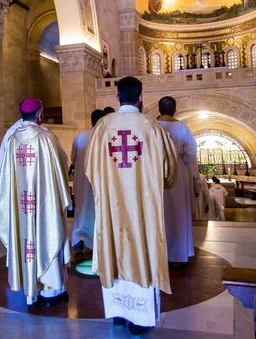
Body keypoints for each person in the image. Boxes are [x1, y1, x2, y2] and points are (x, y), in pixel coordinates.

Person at [85, 76, 178, 338]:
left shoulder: (103, 127)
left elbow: (90, 169)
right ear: (140, 97)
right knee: (143, 247)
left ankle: (118, 313)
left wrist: (108, 185)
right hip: (143, 208)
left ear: (117, 97)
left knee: (115, 247)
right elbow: (169, 173)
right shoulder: (152, 126)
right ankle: (140, 317)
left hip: (112, 207)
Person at [0, 99, 72, 307]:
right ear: (39, 114)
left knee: (25, 240)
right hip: (44, 203)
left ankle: (31, 292)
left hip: (21, 206)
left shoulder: (11, 139)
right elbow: (62, 164)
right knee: (48, 234)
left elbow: (3, 174)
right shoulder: (47, 138)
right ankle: (51, 292)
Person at [157, 96, 197, 268]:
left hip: (156, 172)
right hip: (178, 172)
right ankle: (179, 256)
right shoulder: (182, 127)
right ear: (175, 110)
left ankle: (159, 255)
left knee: (159, 213)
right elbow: (191, 153)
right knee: (178, 213)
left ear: (159, 110)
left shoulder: (152, 126)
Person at [70, 109, 105, 252]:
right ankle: (99, 243)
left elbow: (73, 158)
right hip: (99, 182)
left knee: (82, 211)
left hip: (83, 182)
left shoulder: (80, 137)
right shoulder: (104, 137)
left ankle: (79, 240)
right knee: (98, 211)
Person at [0, 113, 49, 187]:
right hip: (39, 184)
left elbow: (2, 162)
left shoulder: (10, 134)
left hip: (18, 186)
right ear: (39, 115)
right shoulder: (45, 135)